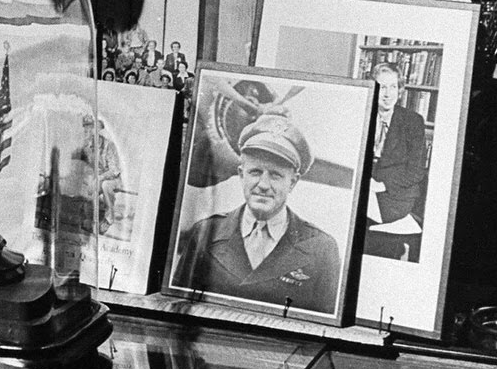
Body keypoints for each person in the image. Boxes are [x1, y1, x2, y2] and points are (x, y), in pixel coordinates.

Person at [172, 113, 342, 314]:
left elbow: (322, 331)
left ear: (293, 182)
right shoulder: (205, 232)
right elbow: (177, 310)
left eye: (276, 175)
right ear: (241, 174)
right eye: (255, 172)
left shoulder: (321, 249)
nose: (263, 185)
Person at [364, 61, 428, 261]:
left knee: (375, 240)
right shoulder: (363, 114)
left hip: (396, 194)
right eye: (382, 86)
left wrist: (381, 185)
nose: (387, 93)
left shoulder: (413, 121)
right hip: (366, 188)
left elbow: (416, 171)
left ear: (400, 90)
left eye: (393, 87)